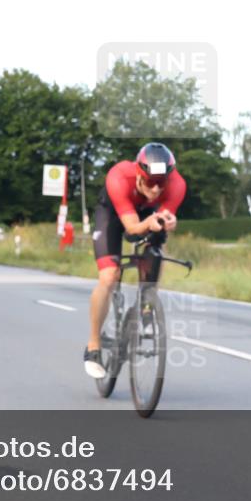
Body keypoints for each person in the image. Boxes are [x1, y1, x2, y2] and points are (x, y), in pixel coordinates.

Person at [83, 143, 186, 378]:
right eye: (151, 182)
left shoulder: (177, 184)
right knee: (109, 277)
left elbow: (163, 218)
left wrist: (167, 222)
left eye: (163, 182)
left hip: (144, 214)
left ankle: (147, 300)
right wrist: (149, 223)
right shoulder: (119, 177)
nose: (158, 188)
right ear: (139, 174)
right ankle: (93, 346)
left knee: (157, 243)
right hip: (112, 215)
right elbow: (131, 228)